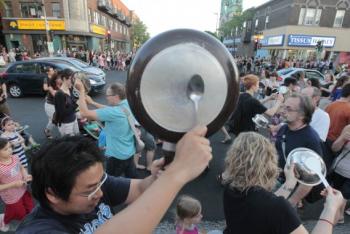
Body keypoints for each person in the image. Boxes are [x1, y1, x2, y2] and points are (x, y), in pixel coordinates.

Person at [16, 126, 212, 233]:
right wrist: (177, 174)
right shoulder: (38, 229)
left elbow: (140, 190)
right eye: (90, 189)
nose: (100, 193)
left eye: (101, 181)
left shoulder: (96, 184)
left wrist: (159, 175)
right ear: (53, 194)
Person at [222, 131, 344, 234]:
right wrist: (330, 209)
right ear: (268, 162)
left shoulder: (230, 188)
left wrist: (289, 183)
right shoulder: (278, 208)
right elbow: (270, 205)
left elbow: (262, 205)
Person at [77, 81, 137, 178]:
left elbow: (84, 113)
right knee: (133, 178)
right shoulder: (126, 105)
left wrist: (81, 90)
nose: (106, 97)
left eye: (108, 95)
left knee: (108, 182)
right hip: (129, 151)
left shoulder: (114, 112)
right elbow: (108, 110)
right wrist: (92, 103)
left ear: (115, 96)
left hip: (117, 156)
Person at [274, 94, 324, 206]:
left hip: (292, 190)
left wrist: (292, 202)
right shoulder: (284, 127)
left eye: (288, 108)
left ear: (302, 115)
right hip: (280, 181)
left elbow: (309, 181)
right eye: (283, 106)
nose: (282, 111)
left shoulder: (311, 140)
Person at [0, 137, 33, 232]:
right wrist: (13, 185)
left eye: (10, 147)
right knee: (19, 213)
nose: (10, 150)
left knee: (30, 208)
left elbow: (22, 168)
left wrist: (26, 175)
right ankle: (4, 220)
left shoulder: (15, 157)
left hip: (23, 189)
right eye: (5, 149)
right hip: (11, 195)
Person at [330, 124, 350, 223]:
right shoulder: (348, 128)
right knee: (336, 192)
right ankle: (335, 213)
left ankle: (339, 216)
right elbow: (334, 148)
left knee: (344, 195)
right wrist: (342, 138)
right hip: (340, 168)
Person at [54, 69, 79, 136]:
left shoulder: (70, 89)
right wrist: (77, 104)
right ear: (65, 79)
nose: (73, 81)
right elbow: (62, 112)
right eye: (71, 79)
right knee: (70, 145)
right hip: (66, 124)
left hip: (74, 120)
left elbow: (74, 104)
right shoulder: (59, 94)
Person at [43, 67, 61, 139]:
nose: (53, 71)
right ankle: (47, 130)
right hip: (50, 104)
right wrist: (54, 90)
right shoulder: (47, 80)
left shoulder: (60, 84)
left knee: (54, 120)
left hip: (56, 103)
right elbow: (45, 88)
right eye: (51, 70)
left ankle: (48, 130)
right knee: (54, 120)